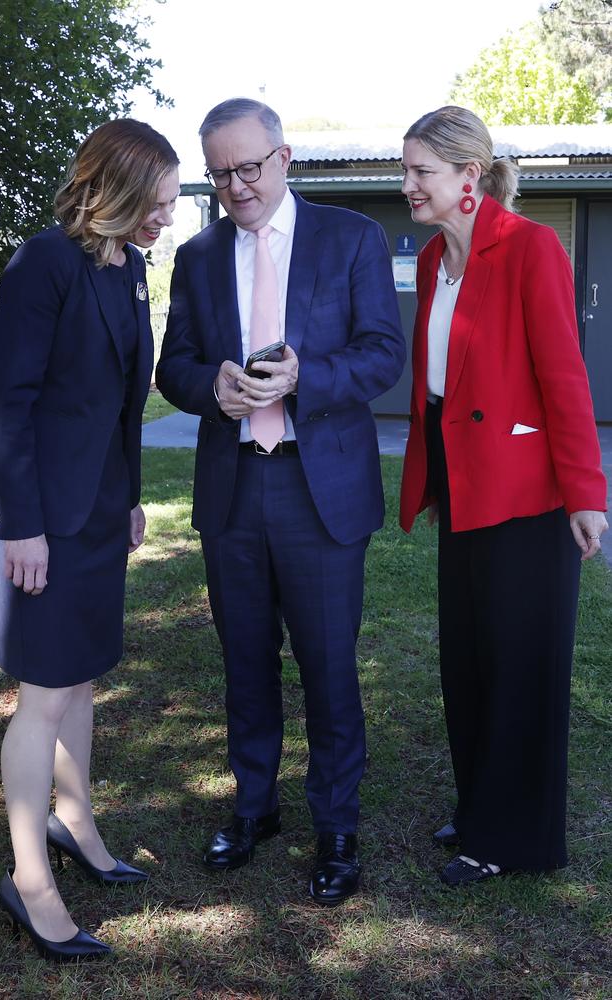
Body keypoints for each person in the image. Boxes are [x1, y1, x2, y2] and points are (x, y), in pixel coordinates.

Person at [156, 98, 405, 906]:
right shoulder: (196, 256)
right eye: (220, 172)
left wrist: (307, 378)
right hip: (233, 487)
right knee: (245, 661)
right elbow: (176, 366)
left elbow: (382, 354)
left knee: (329, 665)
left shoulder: (351, 238)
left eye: (248, 167)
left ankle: (335, 825)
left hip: (318, 484)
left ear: (284, 156)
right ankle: (254, 807)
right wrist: (212, 388)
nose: (235, 187)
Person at [0, 119, 179, 959]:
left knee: (83, 680)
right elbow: (11, 402)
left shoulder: (127, 271)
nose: (167, 215)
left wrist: (126, 498)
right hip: (40, 521)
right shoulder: (42, 262)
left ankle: (77, 824)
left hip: (97, 514)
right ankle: (29, 883)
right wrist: (23, 525)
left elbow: (126, 398)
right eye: (158, 201)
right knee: (43, 694)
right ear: (117, 189)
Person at [398, 105, 608, 886]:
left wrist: (587, 493)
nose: (408, 183)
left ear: (468, 177)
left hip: (531, 493)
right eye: (407, 168)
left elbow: (563, 374)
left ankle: (508, 840)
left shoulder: (531, 247)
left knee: (521, 664)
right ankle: (481, 805)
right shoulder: (431, 261)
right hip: (463, 485)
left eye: (421, 170)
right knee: (471, 661)